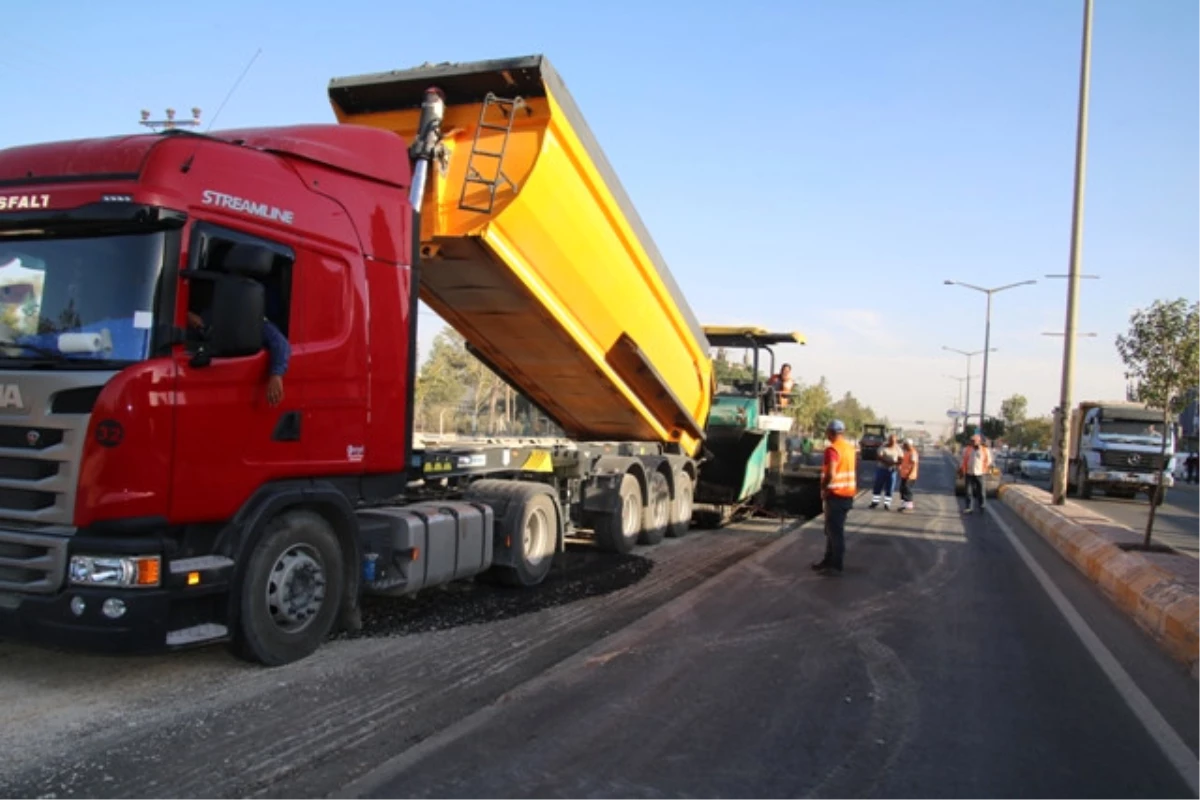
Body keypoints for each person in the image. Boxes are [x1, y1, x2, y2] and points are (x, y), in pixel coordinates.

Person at [187, 309, 290, 407]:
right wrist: (189, 317)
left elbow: (280, 343)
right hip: (203, 381)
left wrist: (276, 374)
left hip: (235, 382)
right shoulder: (210, 314)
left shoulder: (251, 319)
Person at [813, 418, 857, 576]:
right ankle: (828, 561)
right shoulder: (849, 448)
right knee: (832, 530)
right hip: (847, 495)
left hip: (835, 494)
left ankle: (836, 566)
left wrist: (823, 487)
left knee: (835, 532)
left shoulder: (832, 450)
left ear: (831, 432)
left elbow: (831, 473)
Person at [959, 433, 992, 514]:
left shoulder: (985, 450)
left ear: (979, 441)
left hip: (980, 473)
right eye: (971, 441)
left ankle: (982, 506)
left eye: (974, 441)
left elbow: (989, 461)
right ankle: (969, 507)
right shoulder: (967, 449)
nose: (972, 442)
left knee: (981, 492)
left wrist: (985, 468)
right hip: (969, 473)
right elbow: (963, 460)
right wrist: (961, 470)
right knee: (968, 492)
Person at [869, 434, 903, 510]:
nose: (892, 443)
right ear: (888, 440)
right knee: (878, 486)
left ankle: (887, 504)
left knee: (890, 488)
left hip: (892, 471)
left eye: (894, 441)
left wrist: (896, 463)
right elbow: (879, 457)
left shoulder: (898, 449)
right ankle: (875, 502)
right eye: (891, 441)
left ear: (896, 441)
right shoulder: (883, 447)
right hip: (882, 469)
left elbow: (901, 458)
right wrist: (888, 462)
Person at [898, 438, 920, 512]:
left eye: (904, 445)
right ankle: (904, 505)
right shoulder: (907, 452)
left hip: (910, 476)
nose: (903, 446)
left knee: (907, 489)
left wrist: (910, 475)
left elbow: (914, 465)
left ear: (908, 445)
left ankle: (909, 506)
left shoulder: (913, 452)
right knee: (902, 489)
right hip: (904, 474)